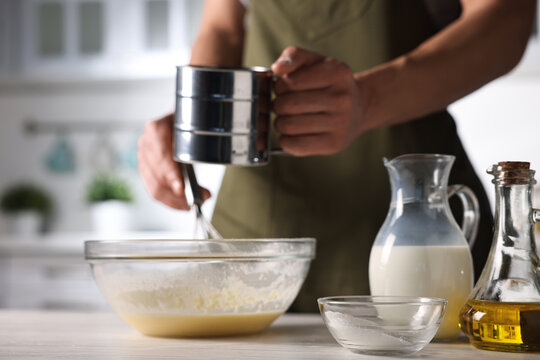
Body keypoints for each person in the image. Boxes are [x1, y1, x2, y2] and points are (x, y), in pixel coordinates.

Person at [138, 0, 536, 312]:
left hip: (414, 234)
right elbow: (222, 24)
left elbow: (505, 19)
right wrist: (196, 116)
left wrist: (371, 100)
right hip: (256, 235)